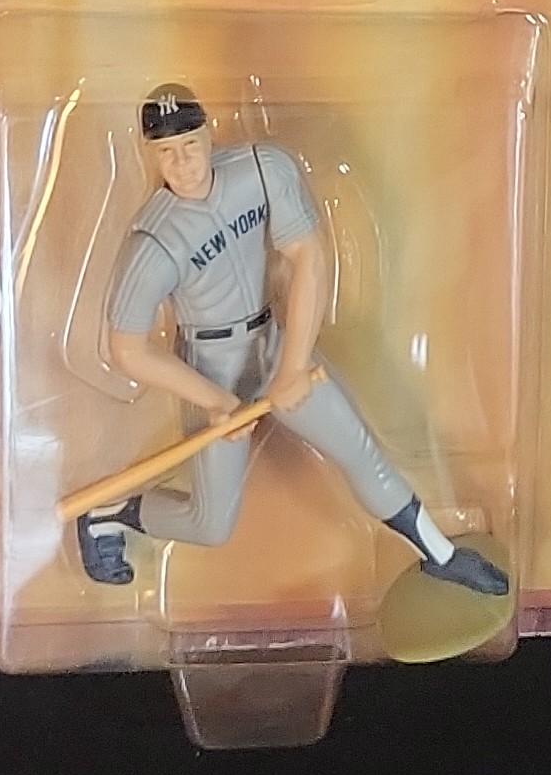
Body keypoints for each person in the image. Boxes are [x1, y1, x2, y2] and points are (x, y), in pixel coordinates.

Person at [72, 84, 509, 598]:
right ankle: (108, 513)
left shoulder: (260, 170)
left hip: (273, 342)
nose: (183, 163)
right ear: (151, 153)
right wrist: (213, 401)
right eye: (167, 152)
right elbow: (127, 349)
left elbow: (308, 256)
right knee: (211, 525)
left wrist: (294, 365)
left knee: (361, 453)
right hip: (210, 367)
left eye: (190, 144)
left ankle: (444, 557)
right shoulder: (153, 240)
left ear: (208, 134)